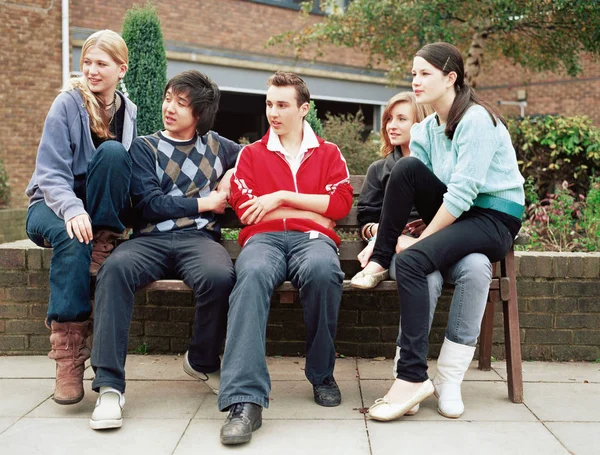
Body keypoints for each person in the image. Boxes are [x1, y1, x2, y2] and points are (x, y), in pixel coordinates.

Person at [352, 42, 525, 422]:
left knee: (413, 261)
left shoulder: (476, 119)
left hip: (494, 218)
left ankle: (417, 378)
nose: (415, 81)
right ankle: (380, 260)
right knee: (405, 169)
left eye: (425, 73)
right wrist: (396, 234)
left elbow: (463, 193)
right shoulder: (427, 128)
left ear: (451, 78)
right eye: (413, 73)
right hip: (462, 215)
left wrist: (422, 237)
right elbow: (424, 184)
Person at [88, 70, 241, 430]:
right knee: (114, 272)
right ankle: (109, 386)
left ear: (200, 115)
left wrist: (233, 174)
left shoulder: (220, 147)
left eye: (181, 103)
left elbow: (258, 156)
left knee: (221, 277)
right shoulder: (145, 147)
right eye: (168, 98)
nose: (169, 108)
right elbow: (150, 205)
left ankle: (201, 360)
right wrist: (205, 203)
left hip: (199, 242)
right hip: (148, 240)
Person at [217, 71, 353, 445]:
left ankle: (322, 374)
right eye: (269, 104)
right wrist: (312, 211)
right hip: (264, 241)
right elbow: (246, 211)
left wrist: (279, 198)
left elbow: (340, 204)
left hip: (314, 243)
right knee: (252, 276)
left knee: (326, 272)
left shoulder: (328, 153)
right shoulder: (251, 155)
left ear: (303, 109)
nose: (272, 112)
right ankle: (244, 401)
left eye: (282, 105)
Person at [354, 91, 493, 418]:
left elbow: (463, 203)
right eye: (389, 118)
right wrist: (387, 236)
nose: (391, 125)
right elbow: (366, 218)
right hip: (406, 249)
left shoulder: (444, 161)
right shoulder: (381, 169)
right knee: (422, 272)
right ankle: (409, 375)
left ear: (422, 126)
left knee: (478, 266)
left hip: (451, 243)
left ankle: (449, 378)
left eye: (402, 119)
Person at [25, 30, 136, 406]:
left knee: (115, 155)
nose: (91, 70)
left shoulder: (128, 111)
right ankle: (69, 357)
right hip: (50, 204)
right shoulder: (67, 104)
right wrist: (72, 210)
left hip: (94, 216)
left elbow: (121, 174)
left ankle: (101, 240)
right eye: (86, 62)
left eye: (101, 64)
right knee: (73, 238)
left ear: (121, 69)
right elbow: (50, 173)